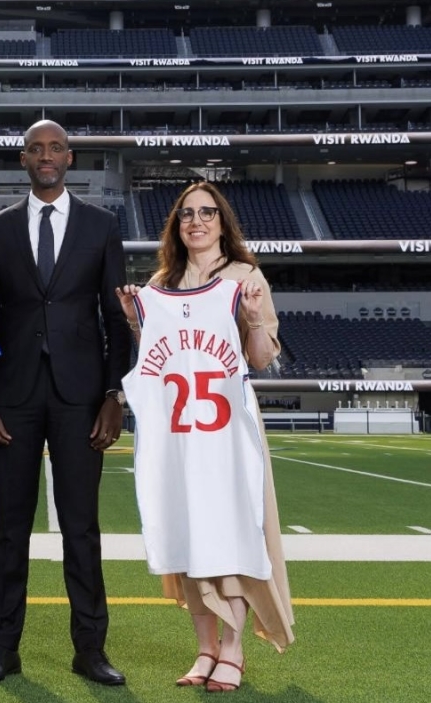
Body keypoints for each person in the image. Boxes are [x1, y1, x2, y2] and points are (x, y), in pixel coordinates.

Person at [0, 119, 132, 686]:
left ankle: (91, 650)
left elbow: (115, 319)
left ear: (69, 157)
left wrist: (114, 395)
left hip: (80, 398)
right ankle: (1, 650)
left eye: (55, 147)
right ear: (23, 159)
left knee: (81, 529)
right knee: (9, 529)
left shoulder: (102, 225)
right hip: (11, 397)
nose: (46, 155)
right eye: (36, 148)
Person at [116, 181, 295, 693]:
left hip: (227, 430)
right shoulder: (161, 284)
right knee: (186, 532)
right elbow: (154, 357)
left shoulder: (244, 276)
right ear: (176, 225)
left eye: (207, 213)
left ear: (222, 222)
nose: (196, 221)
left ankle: (233, 648)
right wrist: (135, 321)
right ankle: (205, 647)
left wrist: (254, 318)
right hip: (178, 434)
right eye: (187, 214)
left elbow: (260, 358)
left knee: (232, 532)